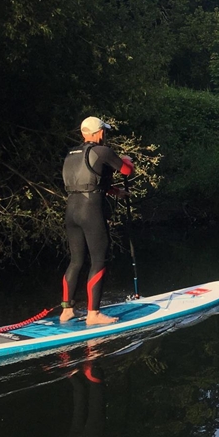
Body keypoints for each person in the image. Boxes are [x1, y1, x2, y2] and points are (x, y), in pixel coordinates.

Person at [60, 116, 134, 326]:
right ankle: (93, 314)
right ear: (100, 133)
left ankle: (67, 311)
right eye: (105, 131)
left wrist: (114, 191)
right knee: (99, 259)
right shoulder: (103, 151)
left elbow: (87, 182)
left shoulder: (71, 154)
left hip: (71, 212)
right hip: (90, 212)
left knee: (76, 261)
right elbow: (127, 170)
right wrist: (127, 160)